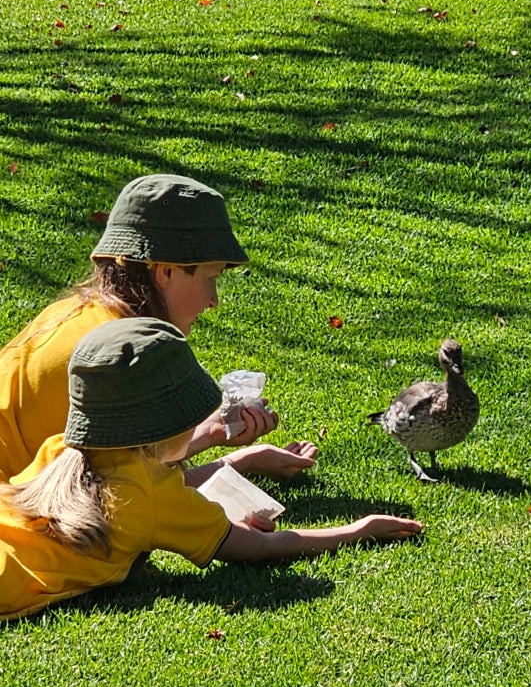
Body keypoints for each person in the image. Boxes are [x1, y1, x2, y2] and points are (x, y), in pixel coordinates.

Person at [0, 318, 422, 621]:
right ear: (162, 422)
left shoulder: (61, 450)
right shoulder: (147, 497)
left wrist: (239, 458)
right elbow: (256, 548)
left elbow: (151, 475)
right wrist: (357, 530)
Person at [0, 173, 317, 486]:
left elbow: (117, 474)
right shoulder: (120, 358)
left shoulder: (74, 315)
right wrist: (239, 462)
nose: (213, 300)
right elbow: (125, 503)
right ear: (166, 272)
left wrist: (215, 436)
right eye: (211, 278)